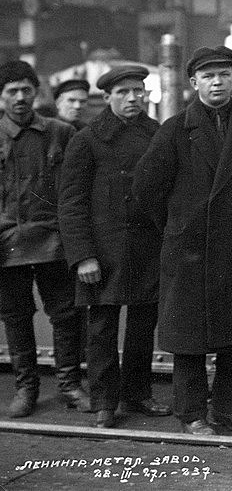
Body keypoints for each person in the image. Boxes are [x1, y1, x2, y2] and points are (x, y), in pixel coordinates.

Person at [132, 46, 232, 435]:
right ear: (194, 82)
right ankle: (192, 414)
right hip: (191, 251)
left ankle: (227, 408)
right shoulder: (175, 130)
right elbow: (146, 189)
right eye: (209, 76)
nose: (217, 83)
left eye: (225, 75)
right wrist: (178, 225)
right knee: (190, 342)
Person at [58, 65, 171, 428]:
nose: (133, 98)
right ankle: (105, 401)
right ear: (106, 98)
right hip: (102, 253)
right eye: (123, 92)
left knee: (142, 325)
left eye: (139, 90)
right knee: (102, 327)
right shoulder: (87, 139)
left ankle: (137, 393)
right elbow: (71, 203)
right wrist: (83, 255)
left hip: (147, 248)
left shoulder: (156, 134)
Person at [0, 60, 91, 418]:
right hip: (6, 244)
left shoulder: (60, 133)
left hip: (54, 241)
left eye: (26, 90)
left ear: (36, 92)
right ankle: (27, 388)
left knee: (66, 315)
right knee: (16, 316)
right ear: (1, 96)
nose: (20, 98)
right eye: (11, 92)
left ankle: (70, 386)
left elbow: (76, 192)